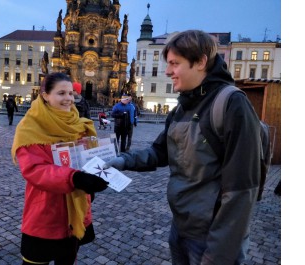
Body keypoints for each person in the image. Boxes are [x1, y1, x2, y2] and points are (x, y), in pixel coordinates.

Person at [104, 30, 261, 265]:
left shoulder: (232, 104)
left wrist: (219, 255)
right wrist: (124, 160)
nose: (168, 71)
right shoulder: (183, 106)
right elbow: (160, 151)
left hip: (212, 238)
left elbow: (242, 190)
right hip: (181, 227)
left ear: (200, 62)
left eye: (174, 64)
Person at [11, 72, 109, 265]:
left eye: (71, 93)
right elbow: (35, 170)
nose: (68, 99)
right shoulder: (30, 127)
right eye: (61, 93)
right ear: (45, 95)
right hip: (45, 212)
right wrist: (75, 178)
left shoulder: (78, 124)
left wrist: (98, 171)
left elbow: (86, 159)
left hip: (75, 210)